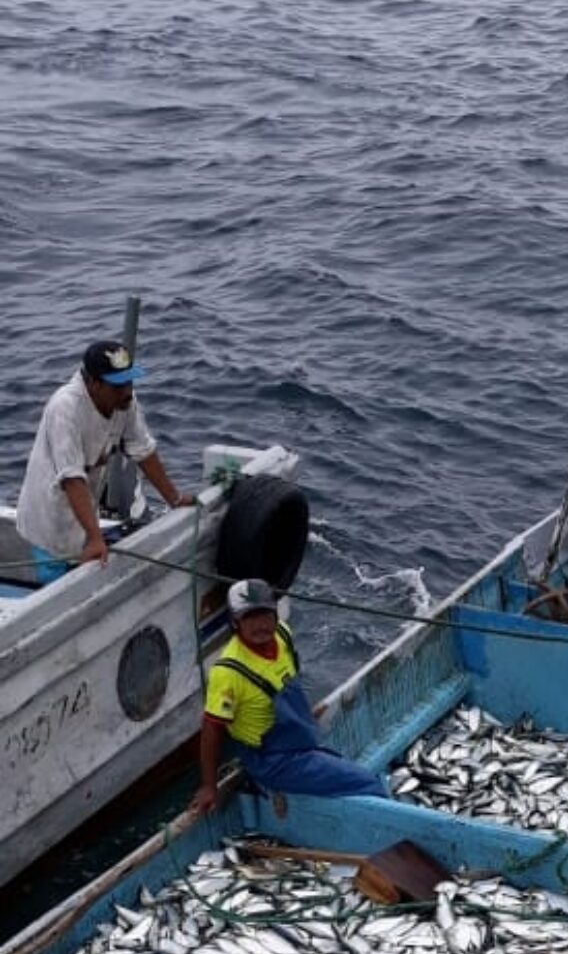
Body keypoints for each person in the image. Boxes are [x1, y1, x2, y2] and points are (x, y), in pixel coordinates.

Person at [189, 578, 384, 813]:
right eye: (249, 618)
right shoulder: (228, 673)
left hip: (299, 739)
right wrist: (209, 786)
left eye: (265, 615)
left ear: (276, 613)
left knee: (347, 774)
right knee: (369, 783)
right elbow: (211, 729)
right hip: (272, 760)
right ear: (235, 623)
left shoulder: (282, 634)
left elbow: (291, 680)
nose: (260, 625)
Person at [16, 338, 194, 577]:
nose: (127, 391)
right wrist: (95, 537)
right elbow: (72, 479)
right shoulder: (65, 408)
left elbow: (143, 449)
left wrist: (175, 498)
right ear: (94, 383)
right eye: (118, 386)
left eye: (129, 381)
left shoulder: (125, 402)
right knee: (57, 577)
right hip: (50, 515)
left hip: (85, 508)